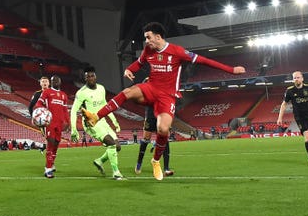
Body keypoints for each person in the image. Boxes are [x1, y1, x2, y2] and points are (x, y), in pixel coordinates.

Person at [81, 22, 246, 181]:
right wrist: (129, 69)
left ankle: (155, 161)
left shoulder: (177, 51)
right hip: (151, 88)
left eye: (148, 37)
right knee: (127, 92)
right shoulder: (148, 49)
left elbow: (204, 60)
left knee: (163, 128)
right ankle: (96, 117)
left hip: (167, 95)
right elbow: (139, 63)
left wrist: (231, 70)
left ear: (158, 37)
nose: (146, 41)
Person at [70, 67, 124, 180]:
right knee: (111, 143)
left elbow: (106, 106)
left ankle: (99, 161)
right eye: (87, 76)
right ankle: (116, 172)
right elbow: (74, 110)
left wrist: (114, 121)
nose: (90, 78)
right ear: (85, 78)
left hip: (102, 120)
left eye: (92, 76)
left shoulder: (101, 88)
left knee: (117, 146)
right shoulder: (81, 93)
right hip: (91, 123)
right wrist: (73, 129)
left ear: (95, 76)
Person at [34, 75, 69, 178]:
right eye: (53, 80)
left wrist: (67, 122)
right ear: (51, 82)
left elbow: (65, 110)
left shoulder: (64, 95)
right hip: (49, 123)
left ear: (60, 82)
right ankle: (48, 169)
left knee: (56, 144)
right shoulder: (47, 92)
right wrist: (42, 113)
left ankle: (52, 163)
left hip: (60, 123)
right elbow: (38, 104)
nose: (56, 82)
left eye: (57, 80)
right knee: (50, 143)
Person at [136, 105, 173, 176]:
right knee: (146, 139)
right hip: (151, 116)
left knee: (165, 139)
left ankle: (166, 168)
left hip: (162, 116)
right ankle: (139, 163)